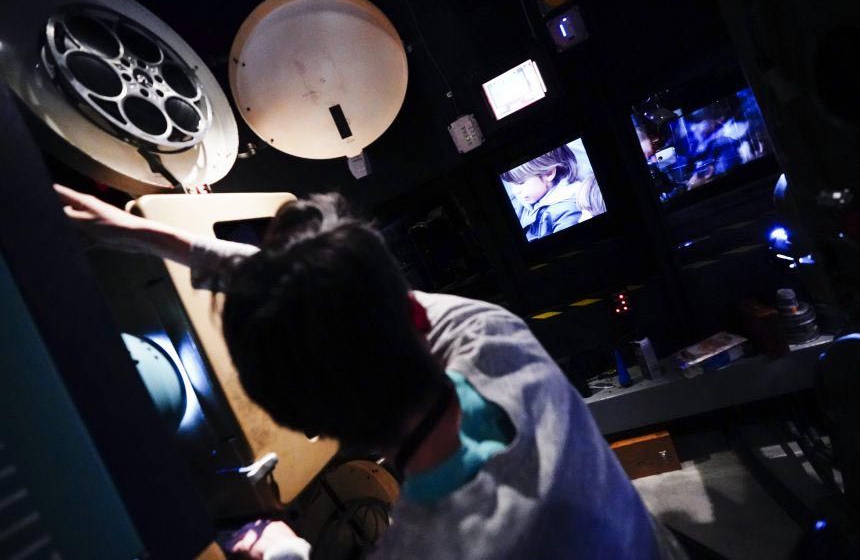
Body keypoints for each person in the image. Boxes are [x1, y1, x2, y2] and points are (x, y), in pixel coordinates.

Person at [54, 184, 683, 559]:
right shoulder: (492, 333)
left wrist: (283, 550)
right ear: (411, 310)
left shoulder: (423, 548)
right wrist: (142, 233)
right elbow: (336, 294)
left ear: (313, 426)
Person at [501, 146, 583, 241]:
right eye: (511, 185)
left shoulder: (569, 210)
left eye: (520, 183)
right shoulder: (520, 201)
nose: (515, 191)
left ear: (549, 173)